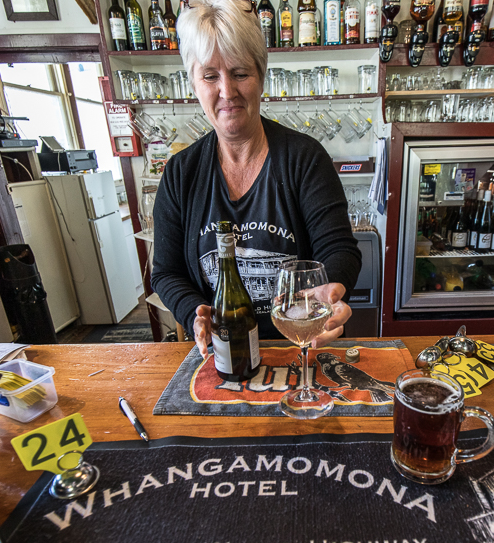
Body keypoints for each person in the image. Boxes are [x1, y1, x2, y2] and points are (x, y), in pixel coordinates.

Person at [151, 0, 362, 358]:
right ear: (194, 83)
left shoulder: (305, 158)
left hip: (299, 344)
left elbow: (339, 249)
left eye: (239, 73)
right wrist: (193, 312)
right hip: (222, 350)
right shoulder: (179, 173)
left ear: (261, 77)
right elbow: (166, 272)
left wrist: (330, 289)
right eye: (210, 76)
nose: (227, 91)